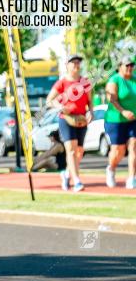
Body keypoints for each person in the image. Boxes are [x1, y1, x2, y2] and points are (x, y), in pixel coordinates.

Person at [46, 55, 93, 192]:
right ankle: (77, 181)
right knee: (71, 150)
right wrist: (59, 107)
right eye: (74, 63)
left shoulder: (85, 82)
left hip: (81, 119)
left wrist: (91, 112)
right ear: (67, 65)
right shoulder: (62, 83)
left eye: (78, 62)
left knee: (79, 151)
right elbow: (50, 100)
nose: (76, 65)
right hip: (66, 119)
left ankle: (67, 174)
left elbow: (90, 101)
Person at [104, 56, 136, 189]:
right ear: (119, 66)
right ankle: (111, 169)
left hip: (133, 120)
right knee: (119, 151)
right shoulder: (114, 80)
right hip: (115, 120)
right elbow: (112, 99)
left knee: (134, 146)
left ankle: (131, 178)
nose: (129, 68)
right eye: (127, 65)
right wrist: (123, 111)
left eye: (131, 65)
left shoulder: (134, 80)